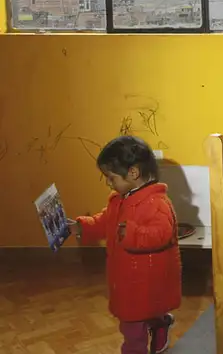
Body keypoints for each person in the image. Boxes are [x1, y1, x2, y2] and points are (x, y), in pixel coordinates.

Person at [72, 135, 181, 354]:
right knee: (143, 315)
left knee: (132, 331)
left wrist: (132, 233)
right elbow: (105, 221)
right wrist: (84, 226)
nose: (109, 183)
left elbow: (162, 233)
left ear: (133, 173)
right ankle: (161, 325)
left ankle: (155, 329)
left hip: (148, 280)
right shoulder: (119, 199)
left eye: (111, 178)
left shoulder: (157, 203)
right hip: (128, 279)